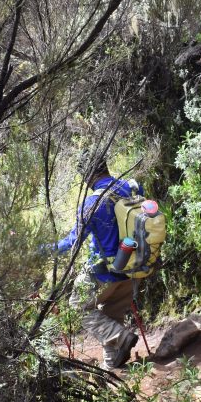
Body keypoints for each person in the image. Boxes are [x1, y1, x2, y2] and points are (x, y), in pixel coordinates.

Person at [52, 150, 140, 369]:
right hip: (132, 270)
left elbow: (72, 242)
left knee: (76, 307)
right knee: (112, 315)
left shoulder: (92, 203)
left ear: (88, 175)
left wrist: (42, 250)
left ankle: (121, 337)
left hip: (103, 273)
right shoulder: (132, 188)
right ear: (105, 166)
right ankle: (114, 366)